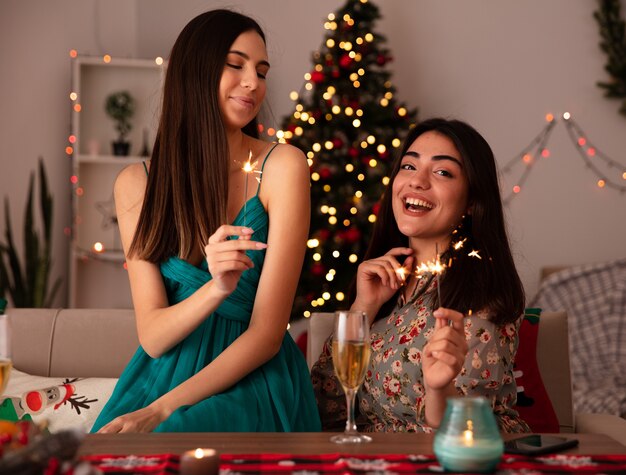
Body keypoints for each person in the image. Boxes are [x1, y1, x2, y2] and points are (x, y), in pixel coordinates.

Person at [91, 9, 321, 433]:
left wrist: (161, 412)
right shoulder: (136, 184)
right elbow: (154, 336)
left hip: (252, 377)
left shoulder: (283, 165)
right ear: (194, 73)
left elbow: (268, 334)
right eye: (236, 65)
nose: (253, 81)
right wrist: (216, 288)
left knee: (173, 435)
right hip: (161, 375)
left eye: (261, 70)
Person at [311, 118, 531, 433]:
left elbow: (467, 431)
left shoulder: (481, 295)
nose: (417, 181)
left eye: (442, 172)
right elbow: (323, 405)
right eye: (409, 167)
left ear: (471, 201)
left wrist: (439, 389)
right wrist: (364, 306)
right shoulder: (386, 287)